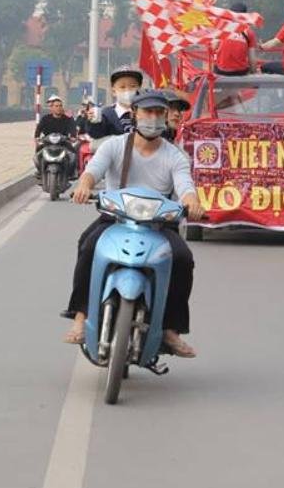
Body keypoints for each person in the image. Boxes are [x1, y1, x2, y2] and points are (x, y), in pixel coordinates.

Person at [65, 90, 206, 356]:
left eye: (158, 113)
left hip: (159, 225)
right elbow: (92, 172)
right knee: (88, 245)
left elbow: (185, 187)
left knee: (183, 259)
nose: (152, 118)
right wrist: (83, 186)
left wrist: (193, 203)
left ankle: (170, 329)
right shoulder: (114, 146)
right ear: (135, 115)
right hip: (116, 219)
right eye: (147, 112)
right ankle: (81, 316)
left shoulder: (175, 156)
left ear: (165, 117)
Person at [86, 66, 143, 138]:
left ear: (139, 88)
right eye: (122, 87)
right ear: (113, 91)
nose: (128, 90)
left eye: (133, 86)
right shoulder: (106, 114)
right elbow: (96, 134)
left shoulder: (147, 112)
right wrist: (93, 122)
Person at [33, 95, 77, 179]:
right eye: (56, 106)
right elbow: (38, 129)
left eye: (60, 106)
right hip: (48, 142)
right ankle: (39, 171)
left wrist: (73, 136)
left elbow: (73, 128)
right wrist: (37, 137)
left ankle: (72, 172)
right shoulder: (45, 119)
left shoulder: (68, 119)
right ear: (51, 108)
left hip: (63, 142)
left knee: (73, 153)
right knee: (38, 152)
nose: (59, 108)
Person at [214, 2, 257, 76]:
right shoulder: (249, 32)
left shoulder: (223, 28)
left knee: (215, 64)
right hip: (240, 71)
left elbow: (214, 47)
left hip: (221, 71)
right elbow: (252, 59)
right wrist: (254, 72)